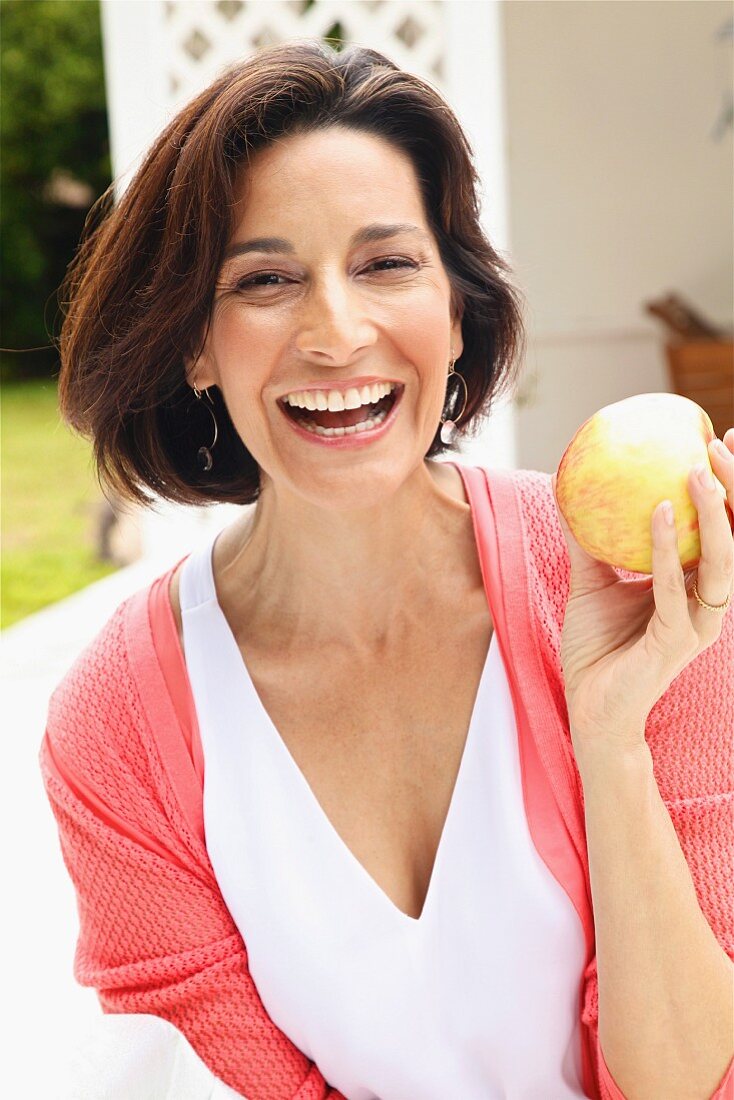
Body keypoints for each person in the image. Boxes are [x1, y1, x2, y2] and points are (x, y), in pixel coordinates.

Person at [39, 38, 733, 1100]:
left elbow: (682, 1076)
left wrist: (611, 737)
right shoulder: (118, 725)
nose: (336, 330)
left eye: (385, 263)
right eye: (265, 278)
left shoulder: (626, 585)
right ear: (192, 343)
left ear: (455, 312)